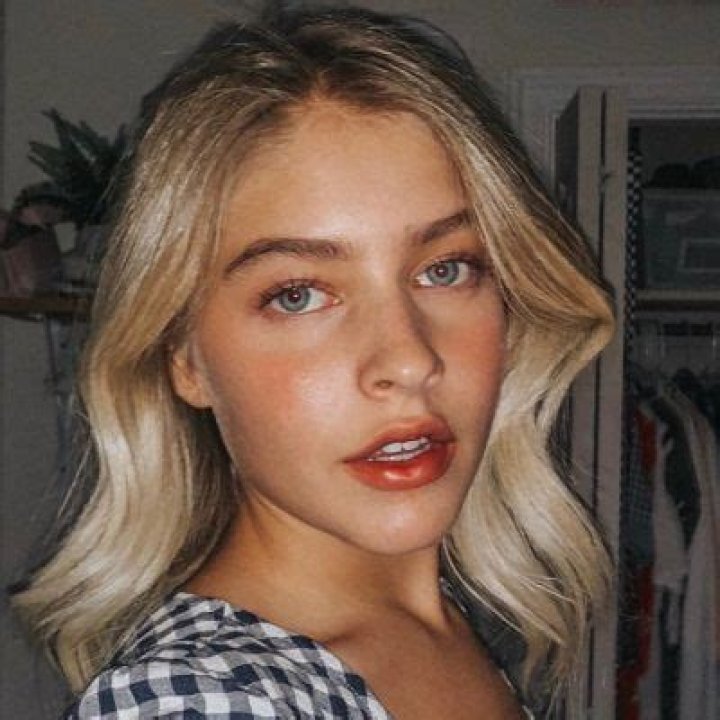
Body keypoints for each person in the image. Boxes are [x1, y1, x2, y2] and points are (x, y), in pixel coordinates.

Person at [13, 4, 615, 718]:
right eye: (298, 295)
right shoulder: (199, 701)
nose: (408, 360)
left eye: (446, 269)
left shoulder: (446, 626)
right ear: (185, 357)